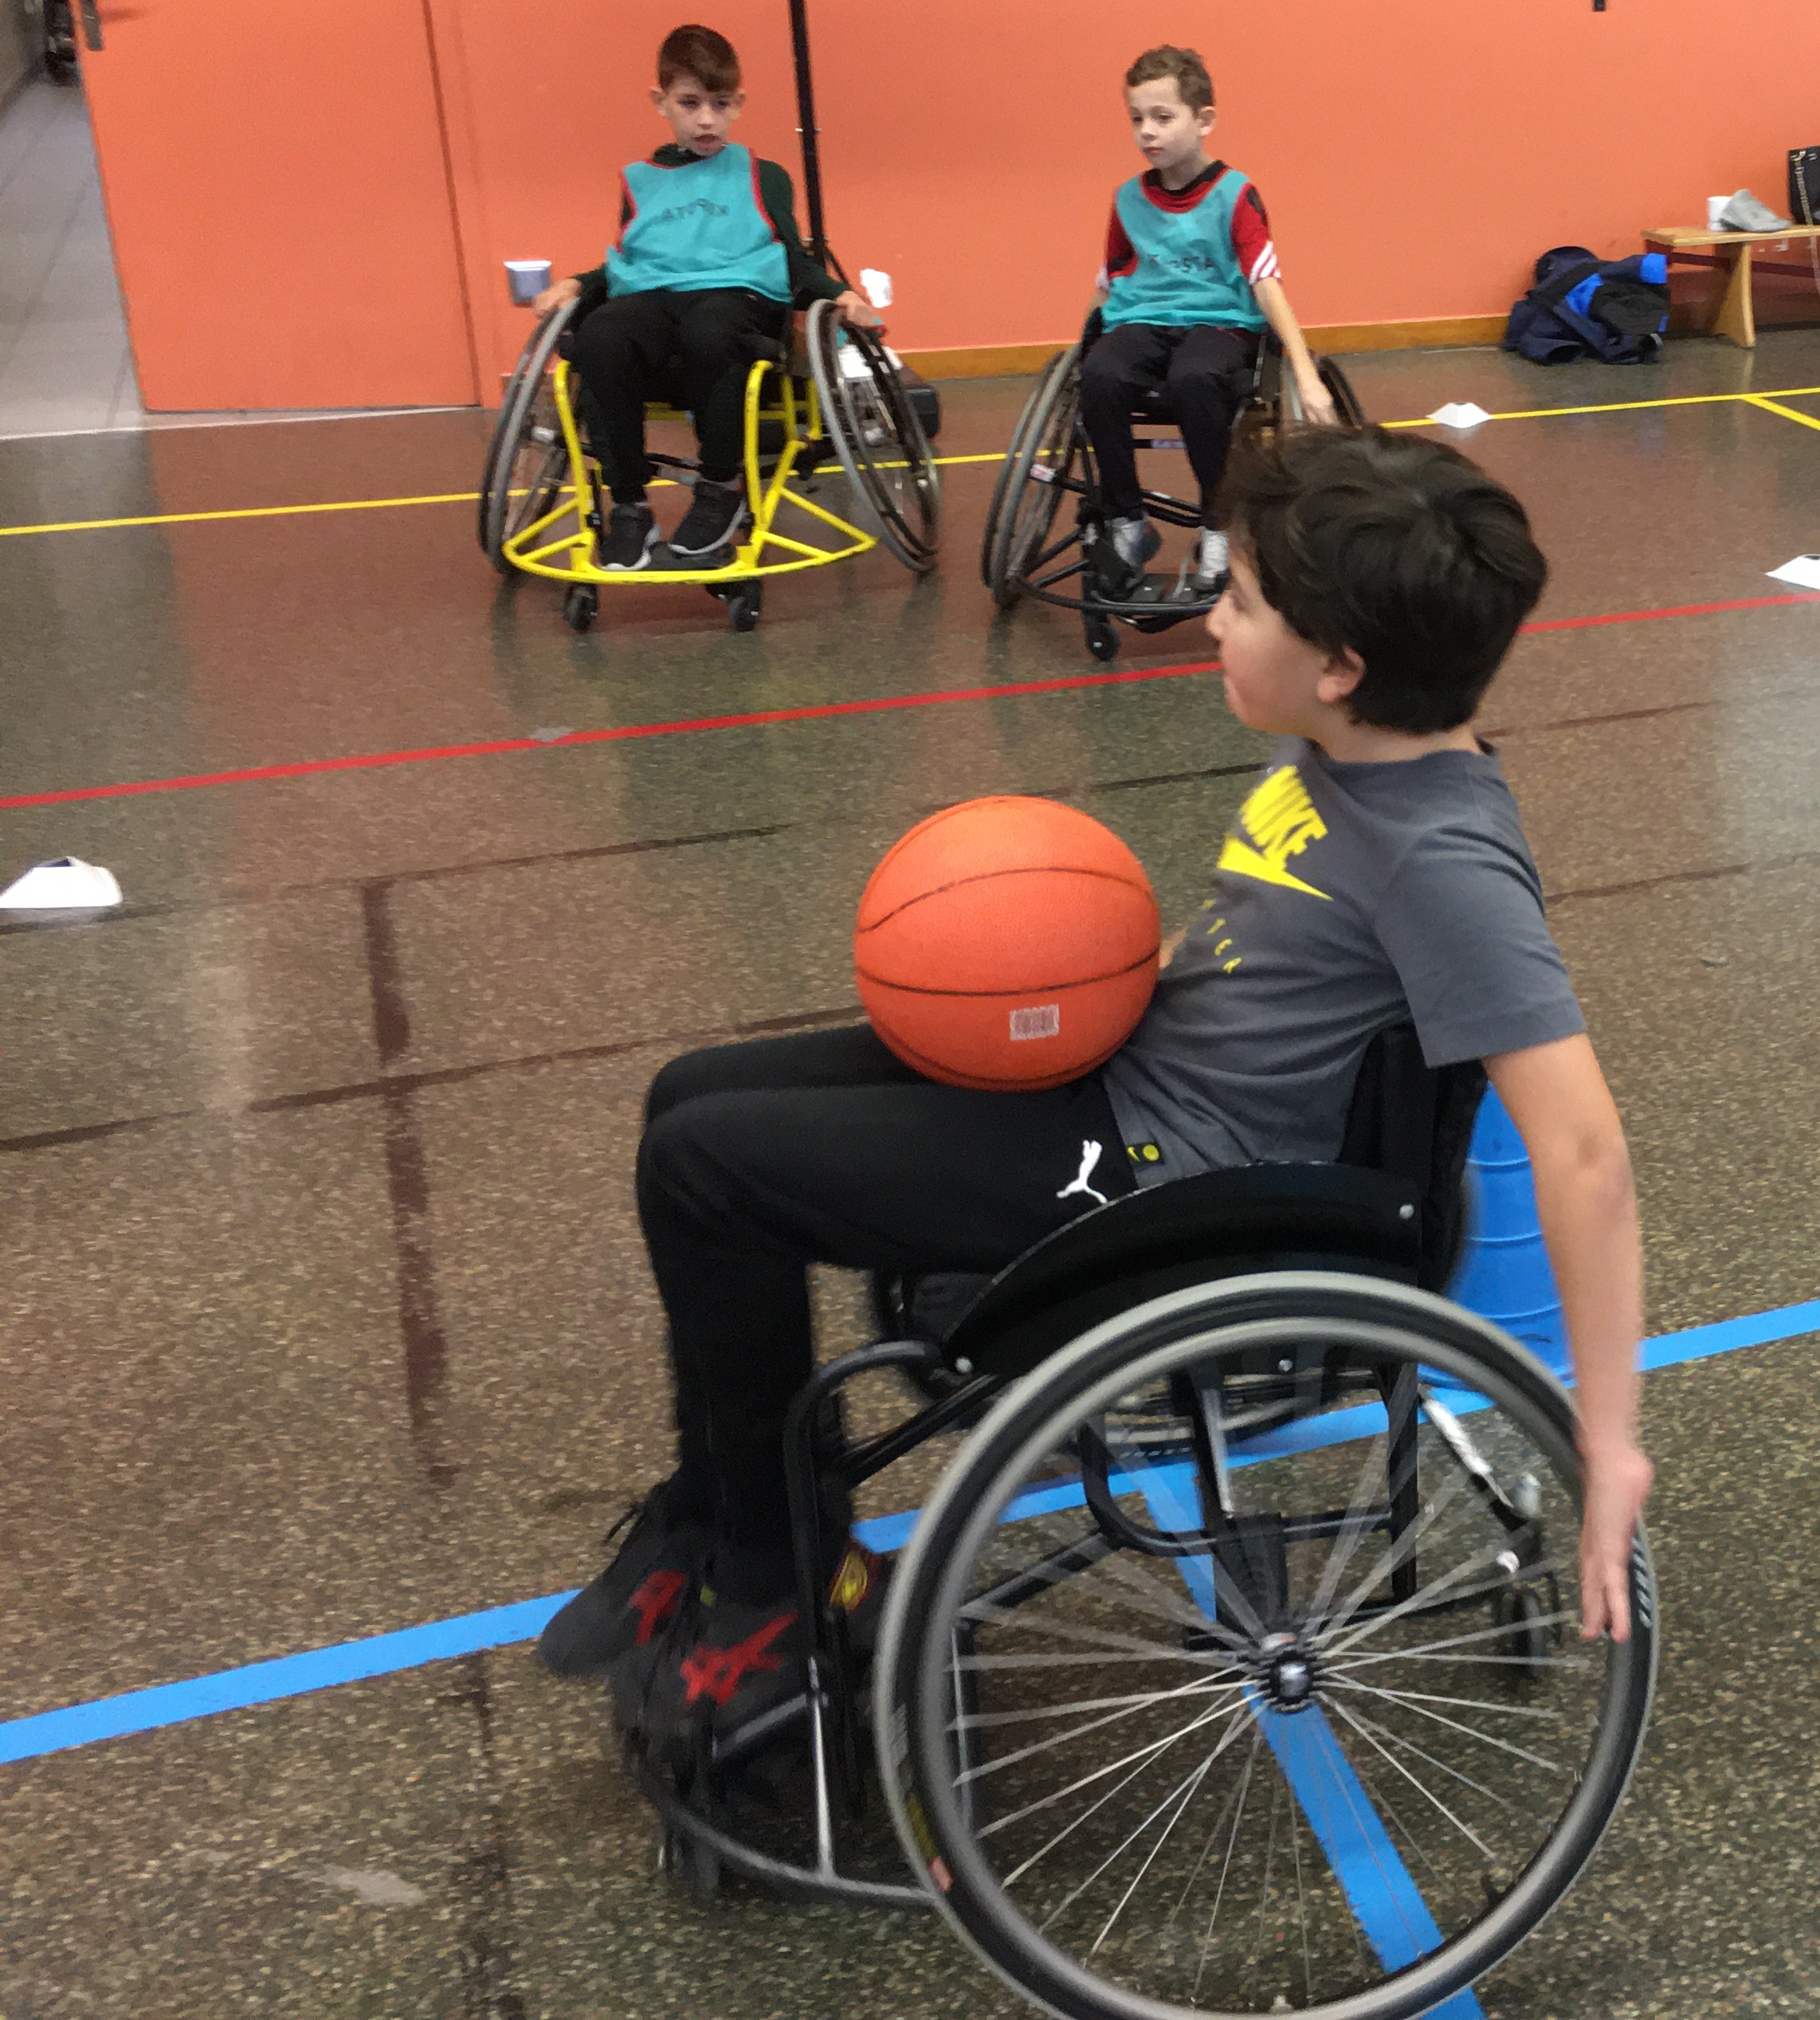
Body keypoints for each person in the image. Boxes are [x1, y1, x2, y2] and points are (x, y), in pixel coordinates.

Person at [537, 426, 1651, 1755]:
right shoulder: (1359, 749)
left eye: (1244, 600)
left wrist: (1608, 1442)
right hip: (1141, 1086)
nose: (1213, 614)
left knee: (708, 1173)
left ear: (1344, 667)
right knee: (690, 1097)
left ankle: (778, 1579)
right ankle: (726, 1505)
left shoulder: (1446, 858)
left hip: (1175, 1181)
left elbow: (1584, 1152)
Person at [530, 25, 875, 575]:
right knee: (601, 334)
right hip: (657, 298)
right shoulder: (640, 181)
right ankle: (629, 505)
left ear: (738, 104)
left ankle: (720, 485)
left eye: (720, 104)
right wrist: (578, 282)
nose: (707, 120)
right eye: (690, 104)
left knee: (710, 327)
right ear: (661, 102)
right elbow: (633, 260)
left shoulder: (764, 176)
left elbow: (793, 258)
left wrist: (842, 294)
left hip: (737, 298)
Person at [1080, 43, 1334, 596]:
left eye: (1162, 117)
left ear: (1204, 120)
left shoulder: (1235, 194)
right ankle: (1128, 521)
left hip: (1220, 321)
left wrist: (1306, 374)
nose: (1147, 132)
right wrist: (1081, 346)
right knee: (1098, 375)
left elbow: (1266, 282)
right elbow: (1111, 279)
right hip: (1143, 318)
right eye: (1137, 119)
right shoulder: (1127, 199)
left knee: (1194, 378)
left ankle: (1217, 524)